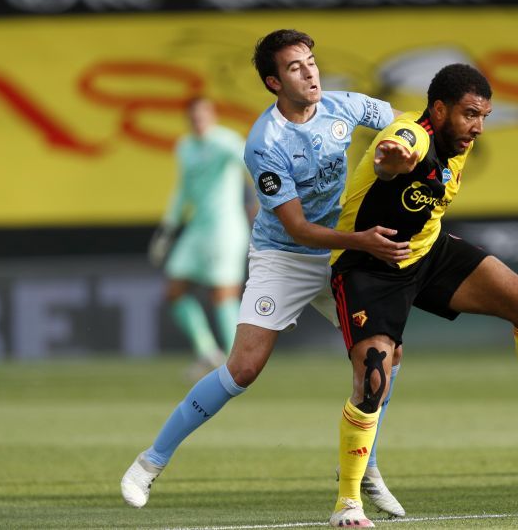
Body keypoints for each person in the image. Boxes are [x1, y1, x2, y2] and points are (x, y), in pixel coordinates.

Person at [121, 29, 409, 517]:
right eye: (296, 68)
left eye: (312, 61)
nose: (310, 72)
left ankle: (364, 469)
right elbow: (297, 228)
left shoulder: (343, 106)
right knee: (243, 369)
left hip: (341, 253)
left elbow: (406, 123)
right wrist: (361, 240)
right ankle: (150, 462)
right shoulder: (264, 142)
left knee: (385, 355)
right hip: (286, 257)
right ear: (275, 83)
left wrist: (403, 145)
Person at [327, 63, 518, 527]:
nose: (478, 126)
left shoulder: (458, 143)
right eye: (469, 114)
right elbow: (392, 150)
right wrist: (389, 159)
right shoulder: (414, 136)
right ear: (438, 110)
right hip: (371, 267)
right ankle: (347, 503)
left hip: (428, 251)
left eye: (484, 115)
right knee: (373, 381)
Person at [148, 97, 256, 374]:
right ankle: (208, 352)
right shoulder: (185, 147)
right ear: (188, 118)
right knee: (174, 290)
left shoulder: (225, 142)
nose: (198, 120)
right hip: (197, 228)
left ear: (212, 115)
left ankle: (237, 363)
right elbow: (183, 189)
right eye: (193, 115)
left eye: (203, 114)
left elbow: (250, 164)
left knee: (222, 295)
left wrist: (263, 198)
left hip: (225, 228)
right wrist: (169, 227)